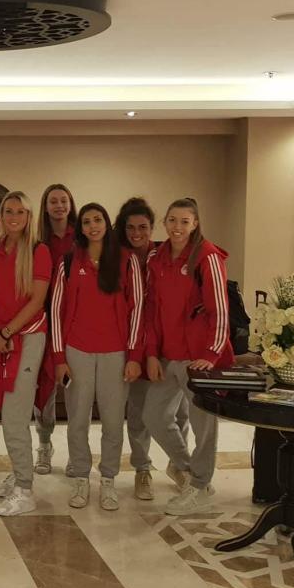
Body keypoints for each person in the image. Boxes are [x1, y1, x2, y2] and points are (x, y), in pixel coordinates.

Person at [142, 197, 233, 515]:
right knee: (153, 416)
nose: (177, 227)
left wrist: (211, 353)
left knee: (203, 426)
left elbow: (219, 309)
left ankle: (199, 484)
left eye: (184, 221)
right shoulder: (157, 258)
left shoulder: (207, 256)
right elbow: (151, 310)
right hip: (167, 357)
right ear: (164, 222)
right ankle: (189, 470)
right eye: (172, 220)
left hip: (198, 360)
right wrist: (151, 353)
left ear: (195, 224)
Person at [50, 203, 144, 511]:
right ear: (80, 228)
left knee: (113, 421)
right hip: (76, 351)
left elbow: (137, 310)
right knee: (77, 419)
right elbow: (56, 310)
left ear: (107, 223)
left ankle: (108, 479)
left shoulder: (127, 261)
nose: (93, 226)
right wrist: (59, 357)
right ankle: (80, 475)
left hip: (116, 354)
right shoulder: (68, 261)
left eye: (98, 219)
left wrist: (134, 356)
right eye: (87, 221)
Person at [0, 191, 51, 516]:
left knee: (14, 416)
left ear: (29, 216)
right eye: (9, 211)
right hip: (1, 339)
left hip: (28, 339)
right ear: (0, 215)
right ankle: (20, 472)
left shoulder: (38, 250)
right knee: (7, 411)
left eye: (20, 212)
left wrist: (6, 333)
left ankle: (25, 489)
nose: (14, 217)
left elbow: (37, 301)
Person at [113, 197, 190, 501]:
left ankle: (179, 465)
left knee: (179, 411)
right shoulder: (118, 259)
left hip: (169, 343)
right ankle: (142, 468)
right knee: (139, 412)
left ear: (152, 227)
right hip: (134, 345)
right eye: (131, 227)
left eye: (142, 227)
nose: (137, 233)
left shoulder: (164, 255)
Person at [33, 184, 78, 475]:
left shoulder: (82, 238)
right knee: (44, 385)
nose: (59, 206)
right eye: (53, 201)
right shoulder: (38, 242)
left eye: (63, 200)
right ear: (46, 207)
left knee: (76, 387)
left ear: (70, 204)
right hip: (44, 320)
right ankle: (44, 443)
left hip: (75, 321)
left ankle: (77, 450)